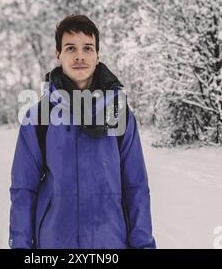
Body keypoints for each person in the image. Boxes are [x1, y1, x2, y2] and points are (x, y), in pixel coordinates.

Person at [9, 14, 156, 249]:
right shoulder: (38, 117)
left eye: (88, 48)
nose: (79, 56)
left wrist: (144, 245)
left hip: (111, 244)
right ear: (58, 54)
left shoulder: (118, 113)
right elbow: (24, 190)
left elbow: (136, 186)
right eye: (70, 48)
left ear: (97, 55)